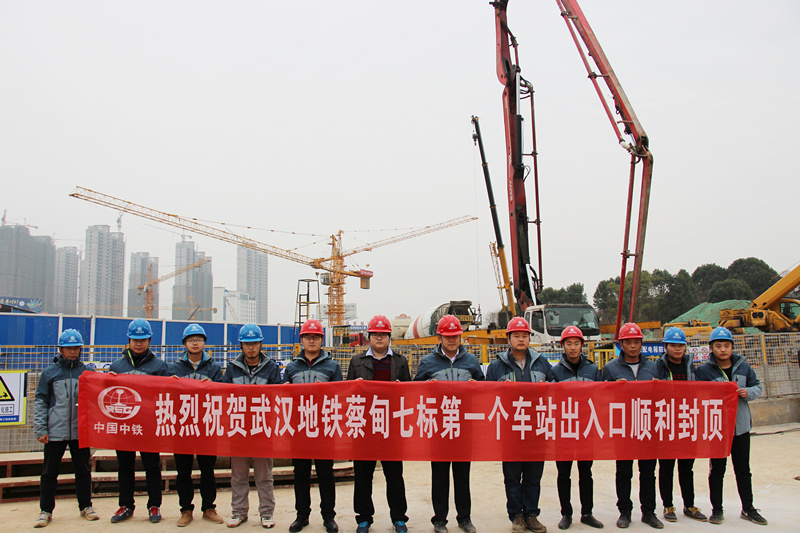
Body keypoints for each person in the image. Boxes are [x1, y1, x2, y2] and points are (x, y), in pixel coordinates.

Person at [414, 315, 484, 533]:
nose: (452, 340)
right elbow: (415, 390)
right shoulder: (428, 362)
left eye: (455, 336)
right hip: (439, 428)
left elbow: (485, 389)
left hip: (464, 427)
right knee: (440, 477)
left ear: (460, 337)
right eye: (448, 336)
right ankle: (440, 520)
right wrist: (427, 385)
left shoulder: (471, 361)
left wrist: (476, 386)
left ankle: (464, 518)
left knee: (462, 476)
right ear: (439, 337)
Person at [486, 317, 553, 533]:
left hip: (536, 428)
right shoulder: (496, 366)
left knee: (533, 476)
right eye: (516, 336)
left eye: (525, 336)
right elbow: (486, 397)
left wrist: (547, 387)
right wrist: (500, 388)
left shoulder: (542, 363)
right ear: (509, 338)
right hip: (511, 430)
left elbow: (556, 390)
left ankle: (531, 515)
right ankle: (516, 516)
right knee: (513, 476)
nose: (521, 339)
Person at [696, 327, 768, 526]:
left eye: (726, 345)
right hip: (717, 429)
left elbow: (758, 386)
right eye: (718, 346)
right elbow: (697, 395)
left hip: (740, 427)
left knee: (743, 469)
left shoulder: (744, 367)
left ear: (732, 347)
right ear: (711, 348)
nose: (722, 349)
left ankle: (748, 508)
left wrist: (748, 392)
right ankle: (717, 510)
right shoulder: (703, 371)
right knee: (717, 470)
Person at [347, 315, 412, 533]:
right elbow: (348, 394)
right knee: (363, 476)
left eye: (383, 334)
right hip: (364, 427)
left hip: (391, 428)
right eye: (375, 334)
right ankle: (364, 518)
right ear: (369, 337)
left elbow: (409, 394)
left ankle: (399, 518)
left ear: (389, 337)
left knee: (394, 476)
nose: (379, 338)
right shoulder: (357, 362)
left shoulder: (400, 362)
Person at [33, 329, 98, 528]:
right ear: (60, 349)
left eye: (76, 348)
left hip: (80, 432)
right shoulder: (49, 373)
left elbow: (98, 398)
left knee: (83, 471)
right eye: (68, 348)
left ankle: (86, 506)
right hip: (55, 432)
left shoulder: (87, 373)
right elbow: (41, 402)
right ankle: (45, 511)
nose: (72, 351)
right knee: (49, 473)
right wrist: (41, 429)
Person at [283, 319, 343, 533]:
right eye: (308, 337)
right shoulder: (292, 367)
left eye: (316, 337)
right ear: (301, 340)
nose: (312, 341)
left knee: (326, 473)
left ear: (321, 340)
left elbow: (340, 397)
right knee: (301, 474)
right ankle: (302, 515)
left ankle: (328, 516)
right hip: (299, 429)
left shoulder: (332, 366)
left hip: (323, 428)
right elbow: (284, 397)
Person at [601, 322, 662, 529]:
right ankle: (624, 512)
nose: (633, 346)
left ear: (642, 344)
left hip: (647, 426)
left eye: (636, 342)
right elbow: (603, 398)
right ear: (621, 344)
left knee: (648, 472)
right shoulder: (611, 368)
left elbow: (664, 396)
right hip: (623, 428)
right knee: (624, 472)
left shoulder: (653, 367)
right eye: (628, 342)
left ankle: (649, 512)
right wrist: (612, 389)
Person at [222, 323, 282, 529]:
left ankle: (266, 513)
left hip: (262, 430)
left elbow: (277, 398)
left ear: (260, 344)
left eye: (254, 343)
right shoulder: (232, 368)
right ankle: (239, 512)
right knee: (238, 476)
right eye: (247, 344)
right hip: (238, 430)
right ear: (241, 345)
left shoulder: (271, 368)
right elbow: (222, 395)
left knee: (264, 476)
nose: (251, 348)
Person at [108, 318, 168, 524]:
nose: (139, 343)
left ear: (149, 340)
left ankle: (154, 505)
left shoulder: (159, 366)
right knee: (125, 467)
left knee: (152, 467)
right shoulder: (117, 366)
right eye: (135, 339)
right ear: (129, 340)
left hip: (149, 426)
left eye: (143, 339)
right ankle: (125, 505)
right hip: (125, 426)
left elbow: (167, 395)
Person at [167, 324, 225, 526]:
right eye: (191, 340)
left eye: (198, 339)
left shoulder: (214, 368)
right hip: (182, 426)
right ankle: (186, 510)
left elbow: (223, 394)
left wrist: (213, 386)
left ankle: (209, 508)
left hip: (206, 425)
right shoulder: (174, 369)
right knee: (183, 471)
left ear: (204, 343)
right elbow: (165, 396)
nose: (195, 343)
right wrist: (170, 384)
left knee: (207, 470)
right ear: (184, 343)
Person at [550, 326, 603, 530]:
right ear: (562, 346)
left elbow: (601, 399)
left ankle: (587, 513)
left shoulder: (593, 370)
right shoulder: (555, 372)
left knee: (586, 473)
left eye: (576, 343)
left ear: (582, 345)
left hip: (586, 430)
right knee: (564, 474)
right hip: (563, 431)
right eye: (569, 343)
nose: (573, 348)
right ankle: (566, 513)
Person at [653, 327, 707, 523]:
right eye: (673, 345)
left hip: (687, 422)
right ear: (666, 347)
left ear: (685, 347)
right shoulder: (658, 367)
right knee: (666, 467)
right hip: (666, 422)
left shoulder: (692, 367)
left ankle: (689, 505)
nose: (677, 349)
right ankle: (668, 505)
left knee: (687, 467)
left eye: (680, 345)